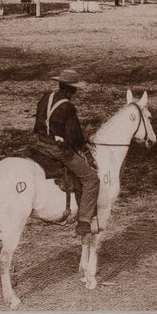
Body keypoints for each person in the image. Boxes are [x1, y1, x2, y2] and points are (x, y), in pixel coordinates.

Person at [31, 68, 101, 237]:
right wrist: (84, 143)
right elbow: (75, 136)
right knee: (91, 179)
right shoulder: (68, 107)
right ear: (72, 89)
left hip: (39, 143)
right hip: (56, 150)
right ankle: (84, 221)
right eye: (75, 89)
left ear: (60, 84)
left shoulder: (46, 97)